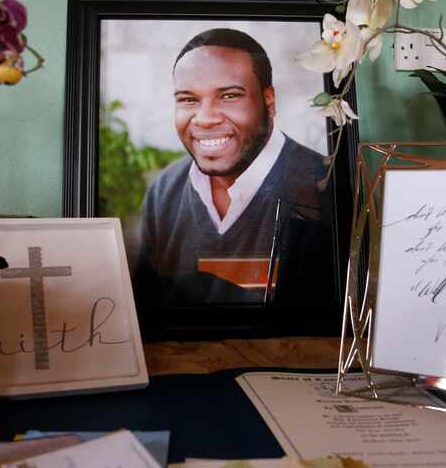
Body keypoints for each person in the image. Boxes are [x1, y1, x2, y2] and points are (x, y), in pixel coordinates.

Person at [134, 28, 326, 306]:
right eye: (188, 99)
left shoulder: (325, 187)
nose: (205, 118)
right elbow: (146, 314)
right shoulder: (164, 192)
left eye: (229, 96)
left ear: (268, 101)